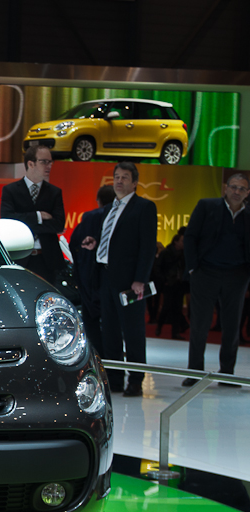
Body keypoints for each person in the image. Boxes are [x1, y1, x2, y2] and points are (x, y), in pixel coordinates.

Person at [79, 162, 158, 397]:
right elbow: (112, 240)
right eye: (116, 177)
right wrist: (95, 245)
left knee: (133, 333)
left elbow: (147, 247)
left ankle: (136, 379)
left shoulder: (144, 207)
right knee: (110, 332)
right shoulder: (109, 209)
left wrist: (140, 279)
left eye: (124, 177)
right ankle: (114, 379)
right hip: (106, 277)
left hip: (130, 282)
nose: (119, 181)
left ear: (135, 183)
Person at [181, 173, 250, 387]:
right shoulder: (206, 206)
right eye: (233, 187)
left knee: (232, 326)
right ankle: (194, 372)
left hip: (237, 276)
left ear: (247, 193)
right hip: (205, 273)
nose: (237, 191)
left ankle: (227, 373)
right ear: (225, 188)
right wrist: (193, 268)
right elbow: (190, 236)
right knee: (199, 325)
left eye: (242, 188)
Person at [0, 145, 66, 283]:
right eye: (44, 162)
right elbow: (8, 220)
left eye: (50, 162)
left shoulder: (54, 192)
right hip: (20, 257)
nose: (49, 166)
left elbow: (58, 224)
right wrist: (38, 216)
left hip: (46, 259)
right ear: (31, 164)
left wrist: (25, 223)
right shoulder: (11, 190)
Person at [69, 184, 114, 356]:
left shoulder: (89, 218)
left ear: (98, 200)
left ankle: (98, 357)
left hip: (88, 277)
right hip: (110, 278)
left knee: (91, 321)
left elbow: (74, 244)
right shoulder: (116, 218)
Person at [155, 227, 188, 340]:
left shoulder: (184, 255)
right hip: (169, 284)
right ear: (176, 242)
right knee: (166, 307)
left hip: (179, 284)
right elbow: (158, 268)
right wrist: (164, 280)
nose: (184, 243)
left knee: (178, 309)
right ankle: (159, 326)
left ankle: (175, 332)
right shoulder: (166, 253)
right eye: (182, 241)